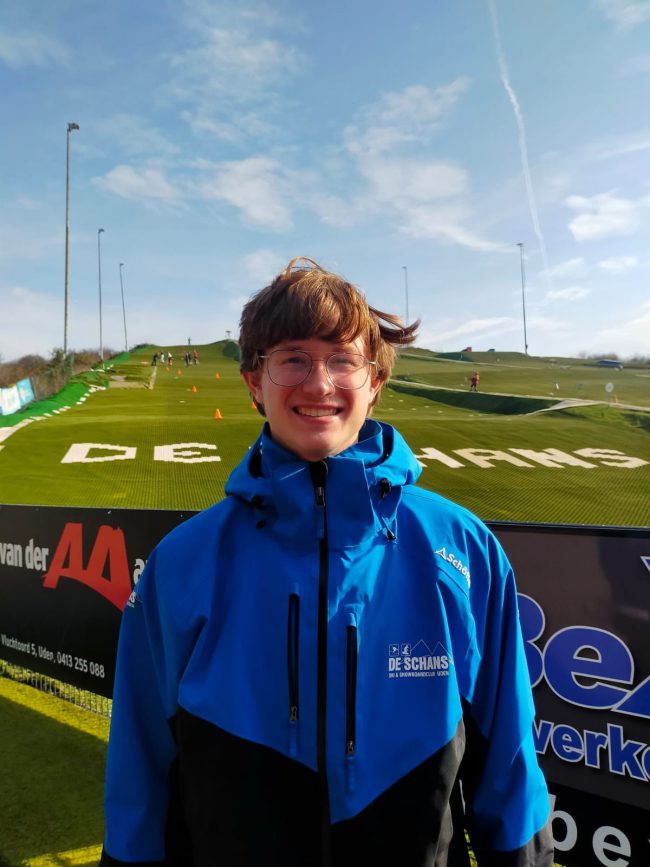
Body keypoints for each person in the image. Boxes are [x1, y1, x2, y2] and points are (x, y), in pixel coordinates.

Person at [101, 257, 553, 866]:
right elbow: (139, 766)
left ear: (375, 382)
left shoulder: (463, 549)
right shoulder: (181, 562)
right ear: (254, 382)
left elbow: (511, 765)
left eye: (342, 360)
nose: (319, 385)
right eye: (292, 359)